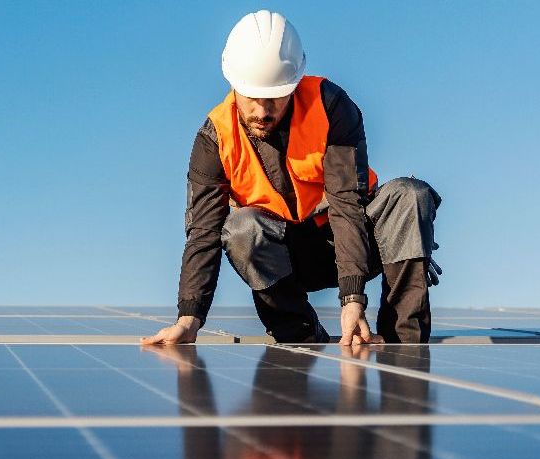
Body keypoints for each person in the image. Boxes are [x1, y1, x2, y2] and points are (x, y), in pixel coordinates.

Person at [142, 10, 443, 348]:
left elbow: (347, 203)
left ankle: (403, 343)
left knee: (409, 196)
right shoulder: (215, 140)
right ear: (233, 85)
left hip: (356, 238)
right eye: (252, 97)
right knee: (241, 229)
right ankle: (299, 336)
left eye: (275, 97)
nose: (262, 110)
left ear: (294, 84)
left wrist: (353, 299)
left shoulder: (331, 106)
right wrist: (189, 318)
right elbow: (203, 234)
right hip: (287, 258)